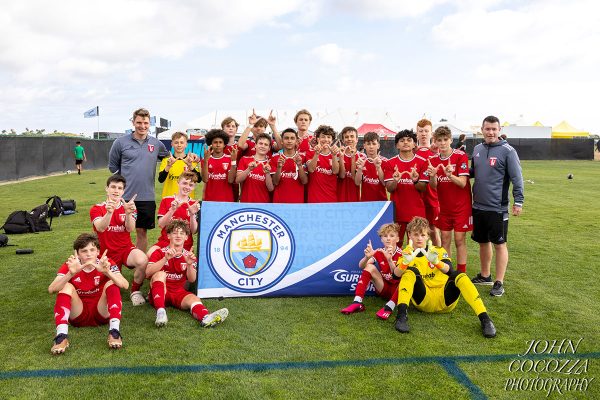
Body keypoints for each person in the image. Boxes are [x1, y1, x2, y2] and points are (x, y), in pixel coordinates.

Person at [392, 217, 496, 338]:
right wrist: (405, 263)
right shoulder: (406, 253)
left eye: (422, 234)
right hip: (424, 300)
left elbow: (450, 271)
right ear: (409, 235)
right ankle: (401, 317)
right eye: (416, 234)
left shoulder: (438, 251)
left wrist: (436, 262)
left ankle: (485, 320)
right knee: (410, 272)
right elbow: (395, 275)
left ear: (427, 236)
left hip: (446, 299)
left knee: (459, 275)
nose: (419, 238)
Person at [48, 233, 129, 354]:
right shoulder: (71, 265)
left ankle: (114, 332)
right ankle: (61, 336)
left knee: (112, 283)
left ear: (98, 251)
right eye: (84, 251)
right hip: (78, 314)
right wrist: (70, 274)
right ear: (77, 253)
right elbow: (52, 289)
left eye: (92, 249)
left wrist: (107, 272)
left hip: (101, 312)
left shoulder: (106, 263)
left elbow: (125, 285)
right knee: (66, 286)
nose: (89, 254)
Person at [470, 116, 524, 297]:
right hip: (478, 206)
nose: (491, 132)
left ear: (499, 130)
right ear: (482, 130)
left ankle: (499, 282)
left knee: (499, 243)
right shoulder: (477, 149)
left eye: (494, 129)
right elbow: (471, 172)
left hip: (497, 208)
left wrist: (518, 201)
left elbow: (517, 179)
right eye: (487, 129)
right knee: (483, 242)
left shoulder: (508, 151)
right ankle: (485, 275)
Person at [108, 108, 170, 252]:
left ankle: (139, 267)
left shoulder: (156, 144)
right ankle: (116, 264)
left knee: (142, 232)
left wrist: (189, 159)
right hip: (125, 197)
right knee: (120, 232)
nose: (142, 126)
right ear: (133, 122)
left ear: (150, 124)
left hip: (146, 197)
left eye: (146, 123)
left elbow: (169, 158)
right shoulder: (120, 142)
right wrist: (121, 187)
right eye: (139, 122)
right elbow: (112, 167)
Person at [147, 219, 229, 328]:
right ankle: (161, 313)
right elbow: (148, 273)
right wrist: (164, 260)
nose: (178, 236)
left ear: (186, 237)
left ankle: (206, 318)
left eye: (182, 233)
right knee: (160, 274)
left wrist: (189, 264)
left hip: (178, 292)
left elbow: (191, 279)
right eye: (175, 233)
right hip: (161, 291)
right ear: (168, 236)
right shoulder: (160, 252)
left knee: (194, 299)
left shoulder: (188, 255)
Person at [90, 174, 149, 306]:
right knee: (107, 287)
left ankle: (135, 292)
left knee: (143, 260)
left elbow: (130, 228)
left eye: (119, 188)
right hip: (104, 253)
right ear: (107, 189)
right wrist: (109, 212)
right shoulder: (97, 208)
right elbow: (100, 227)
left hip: (125, 249)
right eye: (113, 187)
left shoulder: (128, 207)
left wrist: (128, 214)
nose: (116, 190)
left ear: (123, 191)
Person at [427, 126, 472, 274]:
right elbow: (434, 186)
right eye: (439, 140)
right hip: (444, 207)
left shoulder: (460, 156)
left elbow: (463, 183)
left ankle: (461, 273)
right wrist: (433, 176)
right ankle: (448, 272)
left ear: (451, 140)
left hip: (461, 207)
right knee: (445, 239)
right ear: (435, 142)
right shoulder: (433, 159)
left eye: (445, 139)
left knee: (459, 239)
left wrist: (449, 175)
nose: (443, 143)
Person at [340, 223, 402, 320]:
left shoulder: (402, 254)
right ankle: (357, 302)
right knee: (369, 266)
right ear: (381, 239)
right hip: (384, 288)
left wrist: (389, 260)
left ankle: (390, 306)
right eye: (385, 236)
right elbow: (362, 266)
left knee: (406, 276)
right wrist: (366, 257)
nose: (388, 238)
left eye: (392, 236)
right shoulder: (379, 252)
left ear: (397, 239)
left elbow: (396, 275)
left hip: (397, 291)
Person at [384, 129, 428, 244]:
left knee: (416, 245)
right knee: (395, 244)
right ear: (397, 145)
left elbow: (423, 188)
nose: (406, 142)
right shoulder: (390, 163)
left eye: (409, 140)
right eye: (402, 140)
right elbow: (390, 188)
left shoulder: (422, 162)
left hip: (417, 212)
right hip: (397, 211)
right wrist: (395, 180)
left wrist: (415, 180)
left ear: (414, 144)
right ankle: (396, 263)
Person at [147, 171, 200, 259]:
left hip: (185, 245)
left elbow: (193, 231)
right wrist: (172, 210)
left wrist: (192, 214)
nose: (187, 187)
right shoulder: (167, 200)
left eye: (191, 185)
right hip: (165, 242)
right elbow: (161, 224)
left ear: (194, 187)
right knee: (149, 255)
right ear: (178, 182)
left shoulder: (194, 205)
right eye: (184, 183)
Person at [415, 119, 441, 246]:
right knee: (417, 229)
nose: (423, 134)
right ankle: (420, 258)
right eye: (421, 131)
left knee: (433, 229)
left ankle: (441, 259)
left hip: (432, 196)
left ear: (431, 133)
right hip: (416, 197)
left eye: (426, 131)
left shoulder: (437, 151)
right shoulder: (412, 151)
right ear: (417, 133)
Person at [157, 131, 201, 199]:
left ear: (186, 144)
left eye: (182, 142)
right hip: (169, 199)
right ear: (172, 144)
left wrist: (190, 166)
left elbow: (199, 180)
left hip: (186, 200)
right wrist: (168, 166)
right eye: (176, 142)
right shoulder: (166, 161)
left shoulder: (191, 160)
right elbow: (161, 180)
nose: (179, 145)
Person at [270, 128, 308, 203]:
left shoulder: (302, 157)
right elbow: (275, 182)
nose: (289, 141)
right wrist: (279, 167)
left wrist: (299, 166)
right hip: (279, 202)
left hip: (297, 203)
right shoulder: (275, 158)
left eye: (292, 138)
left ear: (296, 141)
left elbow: (304, 181)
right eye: (286, 138)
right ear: (281, 141)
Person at [307, 125, 342, 203]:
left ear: (332, 140)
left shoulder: (336, 154)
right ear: (317, 138)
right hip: (314, 199)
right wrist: (316, 154)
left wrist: (334, 155)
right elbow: (311, 169)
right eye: (323, 137)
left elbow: (335, 171)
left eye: (329, 137)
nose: (326, 139)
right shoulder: (310, 152)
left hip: (331, 198)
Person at [236, 132, 274, 203]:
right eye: (260, 143)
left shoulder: (271, 163)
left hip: (264, 204)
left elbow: (271, 188)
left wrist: (267, 173)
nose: (262, 146)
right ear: (255, 145)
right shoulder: (244, 159)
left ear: (269, 148)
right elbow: (237, 180)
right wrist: (248, 169)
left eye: (266, 145)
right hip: (246, 202)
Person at [201, 129, 238, 202]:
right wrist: (205, 161)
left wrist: (233, 161)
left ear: (224, 144)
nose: (218, 145)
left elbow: (230, 180)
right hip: (210, 199)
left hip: (226, 200)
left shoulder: (230, 159)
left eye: (220, 142)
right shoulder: (205, 160)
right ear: (211, 144)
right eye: (215, 142)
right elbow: (205, 179)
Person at [354, 131, 387, 201]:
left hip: (381, 202)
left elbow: (384, 183)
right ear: (364, 146)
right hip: (365, 203)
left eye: (374, 144)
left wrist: (378, 167)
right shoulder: (361, 161)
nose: (371, 146)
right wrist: (360, 169)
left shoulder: (385, 161)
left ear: (378, 145)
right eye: (368, 144)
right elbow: (357, 183)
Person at [337, 126, 361, 202]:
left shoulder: (362, 157)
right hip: (339, 197)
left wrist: (353, 157)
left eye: (352, 136)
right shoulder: (337, 155)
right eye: (346, 137)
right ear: (343, 140)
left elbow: (357, 180)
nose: (349, 139)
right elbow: (341, 176)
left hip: (354, 197)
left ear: (357, 139)